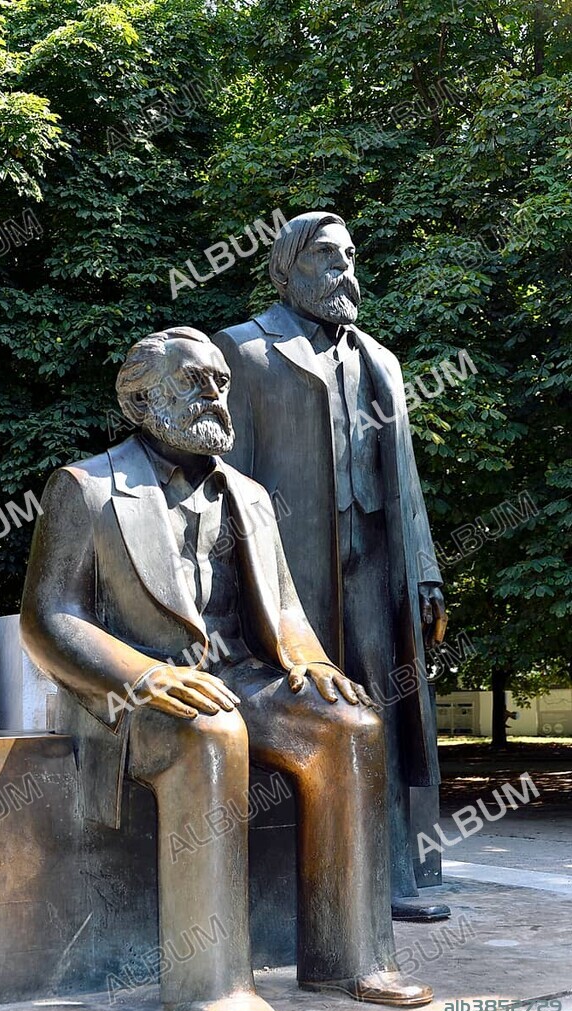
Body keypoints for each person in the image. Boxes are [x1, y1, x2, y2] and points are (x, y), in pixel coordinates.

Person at [20, 326, 433, 1011]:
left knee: (350, 727)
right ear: (140, 403)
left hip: (241, 675)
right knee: (211, 733)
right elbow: (50, 618)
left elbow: (287, 613)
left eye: (220, 381)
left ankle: (352, 959)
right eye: (193, 383)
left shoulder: (250, 495)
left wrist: (317, 665)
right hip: (131, 692)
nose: (215, 394)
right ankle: (209, 982)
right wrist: (146, 676)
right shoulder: (85, 489)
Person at [214, 212, 450, 922]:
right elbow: (225, 477)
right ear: (286, 268)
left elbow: (405, 480)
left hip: (376, 565)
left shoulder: (381, 359)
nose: (346, 270)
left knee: (382, 708)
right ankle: (299, 884)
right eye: (326, 258)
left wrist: (427, 570)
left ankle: (389, 874)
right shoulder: (244, 351)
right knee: (308, 714)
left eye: (350, 256)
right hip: (289, 572)